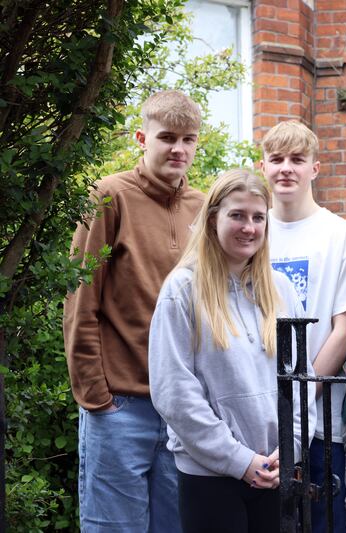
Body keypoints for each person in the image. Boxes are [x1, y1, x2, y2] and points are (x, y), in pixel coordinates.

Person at [63, 90, 204, 531]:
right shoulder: (109, 195)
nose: (178, 149)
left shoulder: (203, 208)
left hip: (182, 405)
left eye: (188, 139)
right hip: (121, 407)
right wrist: (95, 395)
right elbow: (81, 297)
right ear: (143, 138)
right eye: (167, 137)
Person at [148, 168, 316, 532]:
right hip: (210, 477)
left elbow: (303, 379)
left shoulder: (282, 289)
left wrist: (291, 450)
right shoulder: (182, 290)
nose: (249, 227)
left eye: (258, 217)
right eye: (237, 215)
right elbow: (174, 391)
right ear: (213, 220)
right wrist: (239, 460)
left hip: (276, 470)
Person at [260, 120, 346, 533]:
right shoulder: (249, 228)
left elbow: (345, 329)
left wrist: (298, 396)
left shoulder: (341, 235)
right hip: (254, 418)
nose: (286, 168)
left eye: (297, 160)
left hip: (321, 420)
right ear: (262, 166)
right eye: (277, 159)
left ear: (315, 168)